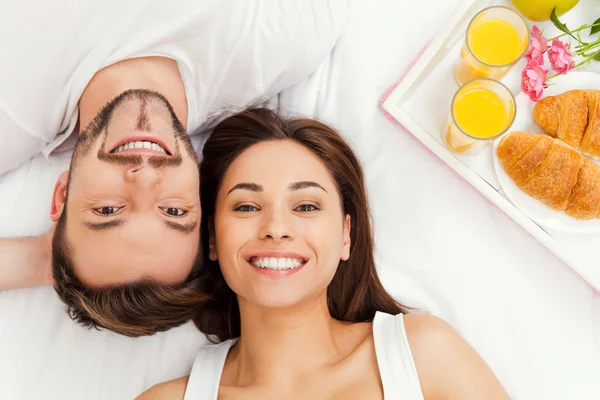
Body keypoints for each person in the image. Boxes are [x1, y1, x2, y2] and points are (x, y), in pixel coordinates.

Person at [0, 0, 346, 337]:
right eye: (174, 210)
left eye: (108, 209)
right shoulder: (284, 40)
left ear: (62, 195)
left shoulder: (13, 110)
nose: (147, 176)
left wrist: (43, 258)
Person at [138, 108, 510, 399]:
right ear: (213, 240)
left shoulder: (424, 355)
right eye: (247, 207)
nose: (277, 228)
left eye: (306, 207)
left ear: (346, 235)